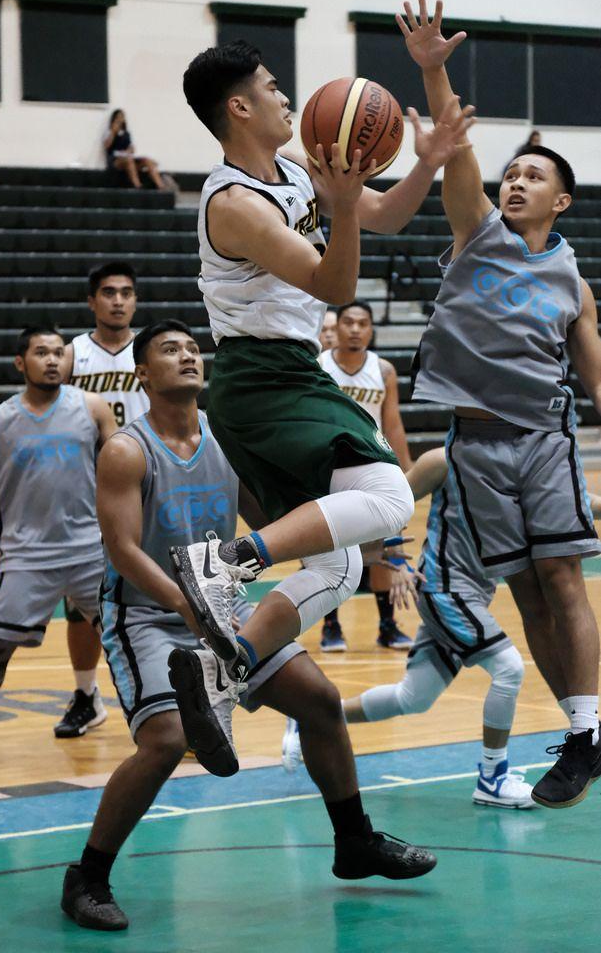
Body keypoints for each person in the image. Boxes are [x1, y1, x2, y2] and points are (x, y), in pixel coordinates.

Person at [60, 320, 436, 931]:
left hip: (219, 604)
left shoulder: (225, 436)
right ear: (142, 374)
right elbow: (124, 549)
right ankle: (88, 876)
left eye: (191, 348)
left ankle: (354, 840)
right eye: (169, 350)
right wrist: (189, 605)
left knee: (320, 700)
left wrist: (349, 540)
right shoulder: (127, 449)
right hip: (149, 613)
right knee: (163, 741)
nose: (186, 356)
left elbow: (268, 519)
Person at [166, 39, 473, 780]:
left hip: (283, 375)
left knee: (336, 569)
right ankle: (227, 563)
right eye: (271, 88)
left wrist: (426, 161)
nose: (284, 97)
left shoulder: (299, 166)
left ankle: (223, 665)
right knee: (390, 493)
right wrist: (339, 212)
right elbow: (334, 288)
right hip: (261, 376)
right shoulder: (234, 202)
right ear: (239, 107)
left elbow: (387, 218)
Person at [397, 0, 601, 808]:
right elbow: (454, 150)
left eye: (533, 177)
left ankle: (584, 735)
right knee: (523, 593)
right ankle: (584, 729)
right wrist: (431, 67)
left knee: (561, 580)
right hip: (474, 446)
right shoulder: (472, 229)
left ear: (561, 202)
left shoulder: (572, 281)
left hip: (544, 439)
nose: (515, 182)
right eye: (512, 173)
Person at [0, 327, 116, 763]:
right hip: (26, 556)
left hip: (90, 550)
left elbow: (120, 474)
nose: (53, 360)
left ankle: (163, 723)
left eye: (59, 353)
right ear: (22, 362)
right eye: (42, 353)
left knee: (129, 642)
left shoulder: (91, 408)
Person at [345, 448, 537, 809]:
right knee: (509, 669)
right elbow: (386, 505)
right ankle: (492, 778)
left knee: (413, 698)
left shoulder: (519, 463)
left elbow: (575, 502)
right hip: (444, 589)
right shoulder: (443, 461)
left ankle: (314, 716)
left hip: (475, 594)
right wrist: (395, 559)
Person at [52, 262, 150, 740]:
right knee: (81, 602)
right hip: (87, 491)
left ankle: (175, 697)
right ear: (92, 301)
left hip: (151, 484)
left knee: (164, 593)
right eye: (108, 293)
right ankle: (87, 696)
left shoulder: (152, 351)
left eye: (126, 293)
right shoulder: (70, 356)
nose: (118, 301)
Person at [318, 299, 414, 653]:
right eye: (349, 322)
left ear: (372, 329)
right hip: (329, 465)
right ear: (337, 327)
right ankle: (331, 626)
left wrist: (406, 472)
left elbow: (393, 423)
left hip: (375, 465)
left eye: (363, 323)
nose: (355, 329)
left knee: (383, 548)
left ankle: (387, 626)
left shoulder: (384, 370)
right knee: (330, 549)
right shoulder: (318, 366)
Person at [103, 108, 171, 191]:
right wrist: (113, 133)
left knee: (147, 160)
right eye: (118, 117)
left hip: (127, 157)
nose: (120, 120)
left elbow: (132, 148)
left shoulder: (126, 133)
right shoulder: (109, 131)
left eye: (122, 117)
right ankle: (138, 186)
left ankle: (161, 186)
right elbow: (106, 146)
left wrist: (130, 150)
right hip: (115, 160)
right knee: (129, 160)